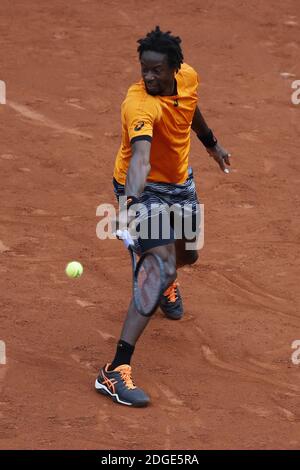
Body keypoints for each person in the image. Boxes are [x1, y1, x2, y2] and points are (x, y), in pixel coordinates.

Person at [95, 26, 231, 407]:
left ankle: (167, 279)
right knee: (161, 266)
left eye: (156, 70)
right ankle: (114, 371)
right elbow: (140, 157)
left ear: (175, 68)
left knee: (189, 255)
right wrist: (132, 204)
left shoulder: (188, 78)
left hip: (179, 182)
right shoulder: (139, 105)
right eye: (144, 70)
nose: (149, 77)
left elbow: (190, 110)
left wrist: (212, 143)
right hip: (143, 188)